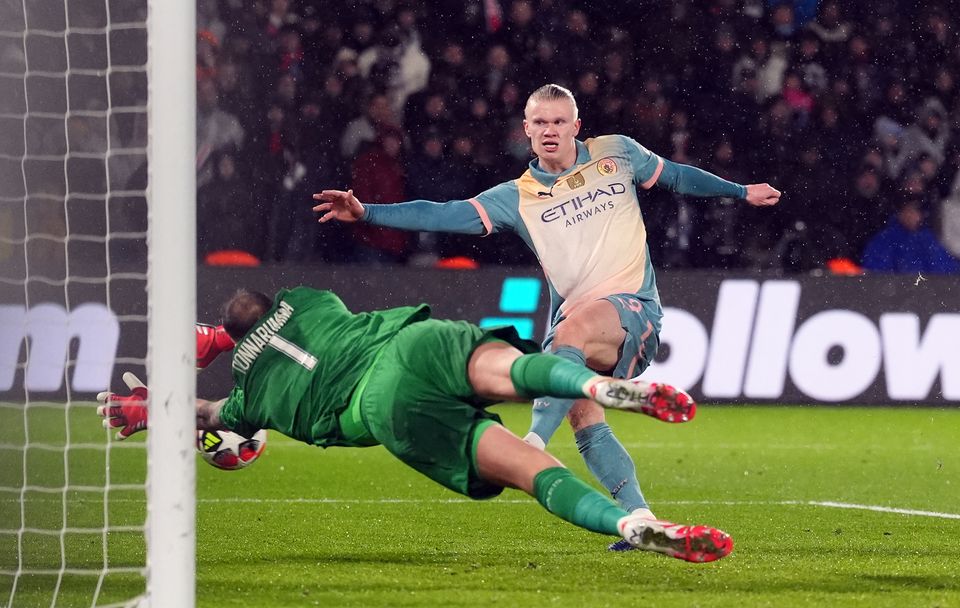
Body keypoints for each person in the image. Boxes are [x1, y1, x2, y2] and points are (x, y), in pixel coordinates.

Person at [313, 83, 781, 550]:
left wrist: (741, 192)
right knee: (584, 416)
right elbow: (443, 213)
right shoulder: (515, 197)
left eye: (559, 121)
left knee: (567, 340)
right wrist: (367, 211)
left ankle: (532, 441)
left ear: (577, 126)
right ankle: (641, 518)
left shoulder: (616, 152)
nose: (549, 130)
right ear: (526, 131)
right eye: (540, 123)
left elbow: (676, 175)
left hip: (632, 312)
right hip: (574, 332)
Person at [97, 287, 731, 563]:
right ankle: (600, 385)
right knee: (517, 370)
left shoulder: (247, 401)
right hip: (412, 344)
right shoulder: (309, 299)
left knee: (537, 474)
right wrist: (213, 338)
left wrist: (152, 407)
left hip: (386, 410)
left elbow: (206, 413)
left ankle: (634, 526)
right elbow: (256, 322)